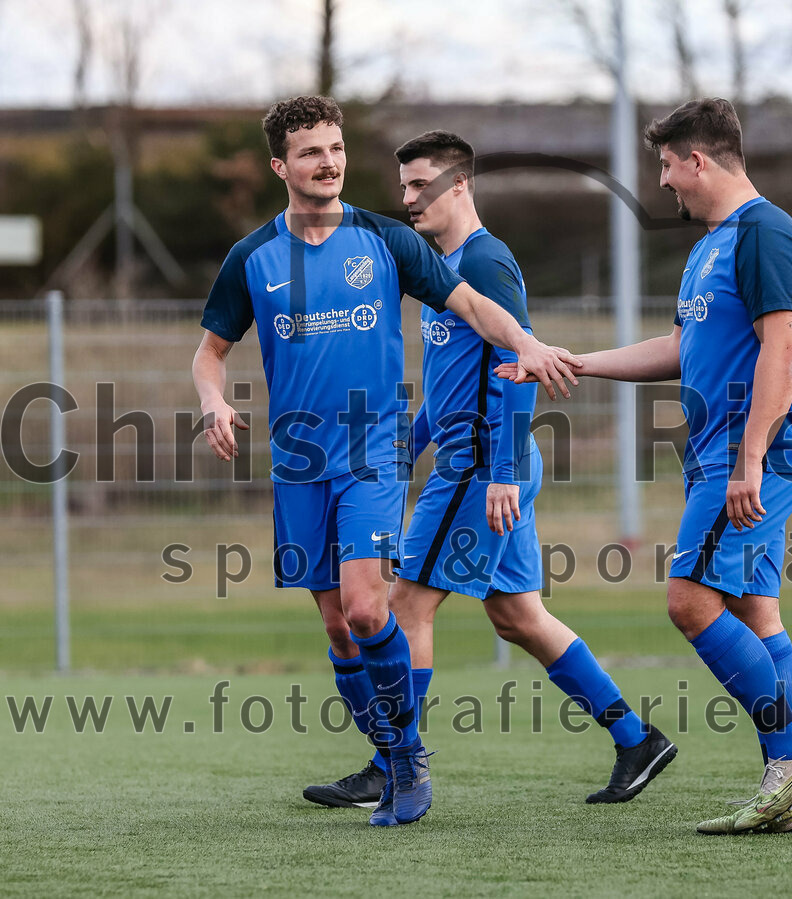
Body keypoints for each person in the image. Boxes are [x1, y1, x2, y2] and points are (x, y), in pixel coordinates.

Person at [192, 96, 580, 828]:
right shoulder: (253, 258)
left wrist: (523, 342)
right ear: (281, 165)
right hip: (300, 465)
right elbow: (208, 354)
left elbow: (470, 304)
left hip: (373, 457)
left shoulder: (383, 241)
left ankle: (406, 764)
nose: (328, 162)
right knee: (340, 627)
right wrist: (213, 402)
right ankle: (392, 752)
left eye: (335, 148)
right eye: (310, 152)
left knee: (372, 607)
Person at [306, 130, 677, 809]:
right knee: (517, 616)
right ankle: (636, 737)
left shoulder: (488, 262)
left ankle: (394, 764)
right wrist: (409, 440)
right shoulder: (441, 267)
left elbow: (519, 368)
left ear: (460, 185)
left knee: (406, 606)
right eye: (404, 187)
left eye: (421, 186)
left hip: (482, 467)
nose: (408, 199)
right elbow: (452, 381)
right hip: (477, 460)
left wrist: (501, 469)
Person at [497, 98, 792, 835]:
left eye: (666, 164)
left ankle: (790, 755)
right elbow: (682, 347)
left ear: (698, 160)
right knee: (753, 608)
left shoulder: (766, 232)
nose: (662, 180)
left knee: (689, 599)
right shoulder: (712, 245)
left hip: (756, 455)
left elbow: (783, 346)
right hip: (722, 455)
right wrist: (571, 363)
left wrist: (749, 458)